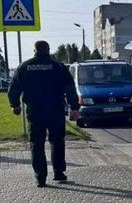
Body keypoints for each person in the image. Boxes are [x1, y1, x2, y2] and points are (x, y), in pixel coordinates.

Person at [7, 40, 80, 187]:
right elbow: (70, 88)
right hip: (56, 109)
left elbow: (14, 88)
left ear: (35, 51)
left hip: (35, 110)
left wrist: (15, 105)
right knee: (57, 141)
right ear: (48, 50)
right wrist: (74, 108)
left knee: (36, 143)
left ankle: (40, 177)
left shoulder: (24, 67)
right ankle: (59, 173)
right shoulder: (58, 66)